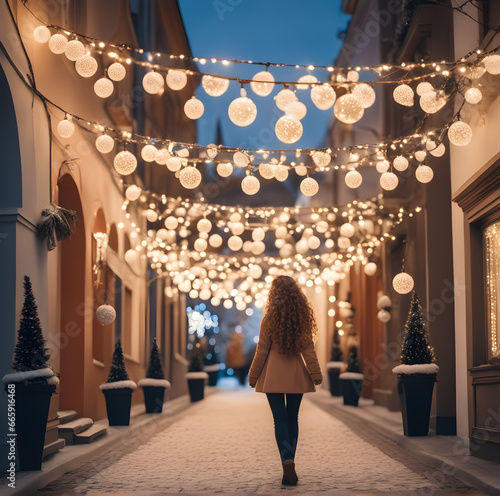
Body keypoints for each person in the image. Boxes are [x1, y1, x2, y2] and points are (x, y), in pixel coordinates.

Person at [248, 275, 323, 486]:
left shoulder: (269, 318)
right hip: (295, 375)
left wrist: (253, 375)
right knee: (293, 419)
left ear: (275, 295)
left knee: (279, 420)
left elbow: (261, 350)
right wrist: (315, 374)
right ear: (297, 295)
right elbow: (309, 349)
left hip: (272, 374)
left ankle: (285, 461)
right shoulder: (302, 319)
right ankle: (290, 461)